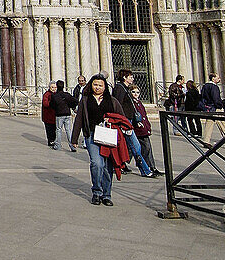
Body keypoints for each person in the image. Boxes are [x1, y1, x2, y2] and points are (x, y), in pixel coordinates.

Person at [71, 73, 128, 205]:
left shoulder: (112, 100)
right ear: (91, 85)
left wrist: (113, 121)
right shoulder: (85, 100)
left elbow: (121, 118)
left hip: (108, 136)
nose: (97, 87)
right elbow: (79, 119)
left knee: (108, 167)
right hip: (92, 135)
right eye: (95, 84)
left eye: (100, 85)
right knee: (97, 163)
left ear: (105, 87)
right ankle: (97, 191)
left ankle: (106, 195)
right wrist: (74, 139)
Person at [110, 70, 155, 177]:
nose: (132, 79)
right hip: (125, 121)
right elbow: (117, 105)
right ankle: (145, 171)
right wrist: (122, 121)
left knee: (130, 146)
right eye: (130, 77)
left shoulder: (125, 88)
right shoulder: (119, 88)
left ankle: (121, 166)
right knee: (135, 146)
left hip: (128, 120)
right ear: (125, 77)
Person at [129, 85, 161, 176]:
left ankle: (151, 167)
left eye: (137, 92)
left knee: (145, 148)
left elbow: (144, 116)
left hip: (143, 129)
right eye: (133, 92)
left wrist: (148, 126)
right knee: (136, 149)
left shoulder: (139, 103)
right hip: (138, 129)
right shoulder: (131, 103)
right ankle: (121, 165)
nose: (135, 94)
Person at [200, 72, 225, 149]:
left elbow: (203, 97)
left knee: (208, 125)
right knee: (222, 125)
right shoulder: (214, 87)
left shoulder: (205, 86)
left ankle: (206, 141)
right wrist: (221, 105)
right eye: (218, 77)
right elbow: (216, 98)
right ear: (213, 79)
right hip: (216, 108)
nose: (219, 79)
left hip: (209, 108)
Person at [49, 79, 77, 151]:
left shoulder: (55, 96)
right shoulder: (67, 95)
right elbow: (75, 101)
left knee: (58, 130)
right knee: (68, 130)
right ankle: (72, 146)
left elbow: (51, 105)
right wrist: (71, 106)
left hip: (59, 114)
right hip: (67, 113)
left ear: (57, 87)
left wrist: (57, 108)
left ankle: (58, 145)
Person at [41, 82, 57, 147]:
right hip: (48, 116)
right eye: (52, 87)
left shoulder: (57, 94)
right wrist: (52, 103)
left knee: (55, 130)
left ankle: (54, 141)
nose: (54, 89)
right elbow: (45, 104)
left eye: (55, 87)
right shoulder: (47, 94)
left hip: (55, 116)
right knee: (49, 130)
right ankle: (50, 141)